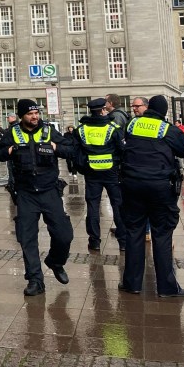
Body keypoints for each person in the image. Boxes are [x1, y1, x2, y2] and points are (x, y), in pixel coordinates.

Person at [0, 99, 73, 296]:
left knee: (64, 235)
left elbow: (71, 149)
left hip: (49, 191)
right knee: (27, 238)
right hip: (26, 193)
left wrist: (56, 147)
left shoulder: (48, 131)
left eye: (36, 113)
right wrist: (10, 150)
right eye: (30, 114)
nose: (35, 117)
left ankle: (55, 261)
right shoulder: (13, 133)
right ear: (22, 116)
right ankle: (35, 280)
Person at [118, 95, 184, 297]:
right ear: (164, 111)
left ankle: (131, 283)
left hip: (132, 184)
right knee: (162, 234)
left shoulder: (133, 124)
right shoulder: (167, 129)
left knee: (134, 232)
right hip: (160, 186)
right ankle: (167, 287)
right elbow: (183, 151)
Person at [71, 98, 126, 252]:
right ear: (103, 110)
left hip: (91, 172)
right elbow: (122, 150)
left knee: (93, 207)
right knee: (118, 206)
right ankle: (123, 241)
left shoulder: (81, 129)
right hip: (111, 172)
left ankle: (94, 241)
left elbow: (75, 152)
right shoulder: (113, 128)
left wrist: (82, 167)